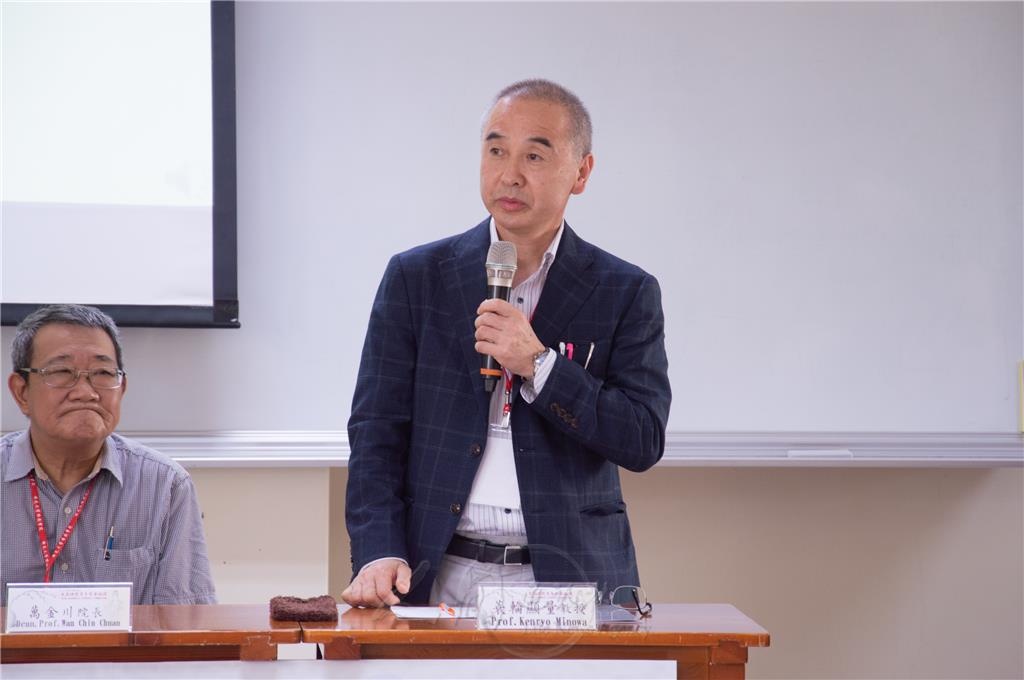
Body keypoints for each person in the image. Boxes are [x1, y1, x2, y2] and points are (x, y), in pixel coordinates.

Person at [343, 79, 671, 607]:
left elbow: (641, 438)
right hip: (434, 573)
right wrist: (378, 549)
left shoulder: (624, 291)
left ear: (581, 172)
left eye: (534, 156)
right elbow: (375, 431)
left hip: (567, 581)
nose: (509, 174)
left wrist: (539, 366)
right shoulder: (417, 277)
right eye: (496, 151)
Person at [1, 304, 216, 605]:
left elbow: (184, 623)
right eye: (62, 372)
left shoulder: (164, 485)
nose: (85, 392)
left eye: (102, 373)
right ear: (22, 392)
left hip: (124, 655)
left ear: (122, 387)